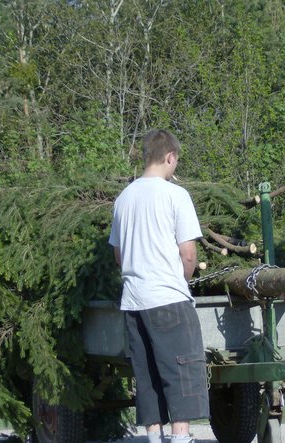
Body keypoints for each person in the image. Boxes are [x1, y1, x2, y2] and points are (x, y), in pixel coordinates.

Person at [109, 129, 209, 443]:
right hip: (168, 298)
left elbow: (118, 254)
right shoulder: (175, 195)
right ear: (169, 157)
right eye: (175, 162)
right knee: (181, 369)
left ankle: (155, 437)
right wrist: (183, 280)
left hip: (133, 301)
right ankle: (181, 438)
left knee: (148, 374)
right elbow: (189, 253)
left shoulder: (123, 198)